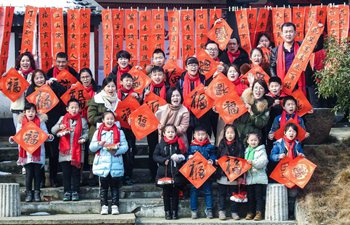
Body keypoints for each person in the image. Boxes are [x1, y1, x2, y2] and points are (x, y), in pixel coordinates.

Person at [25, 69, 66, 187]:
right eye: (36, 78)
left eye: (41, 77)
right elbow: (28, 108)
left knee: (53, 153)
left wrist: (54, 83)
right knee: (41, 153)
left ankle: (53, 178)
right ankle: (41, 179)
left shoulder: (51, 86)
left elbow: (64, 93)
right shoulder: (31, 91)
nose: (39, 80)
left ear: (45, 77)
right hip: (38, 126)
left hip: (53, 124)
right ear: (33, 80)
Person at [9, 103, 53, 202]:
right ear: (25, 112)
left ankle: (37, 192)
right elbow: (18, 135)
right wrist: (13, 139)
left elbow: (44, 133)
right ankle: (28, 193)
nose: (31, 113)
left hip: (38, 153)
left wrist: (48, 136)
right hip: (26, 154)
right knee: (29, 174)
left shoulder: (40, 122)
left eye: (33, 111)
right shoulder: (21, 122)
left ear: (35, 112)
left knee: (37, 174)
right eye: (28, 111)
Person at [89, 110, 128, 215]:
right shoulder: (98, 132)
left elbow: (125, 147)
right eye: (108, 119)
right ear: (103, 120)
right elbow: (91, 148)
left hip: (115, 162)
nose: (110, 121)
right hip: (102, 163)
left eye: (112, 119)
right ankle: (104, 205)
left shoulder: (120, 132)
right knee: (103, 187)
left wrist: (116, 150)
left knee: (115, 186)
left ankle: (115, 205)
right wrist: (99, 144)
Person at [51, 98, 88, 201]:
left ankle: (75, 191)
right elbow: (53, 131)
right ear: (67, 109)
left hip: (78, 150)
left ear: (79, 109)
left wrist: (83, 138)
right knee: (66, 173)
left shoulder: (83, 120)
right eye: (72, 107)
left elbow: (86, 133)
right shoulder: (62, 118)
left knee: (76, 173)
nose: (74, 109)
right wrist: (60, 126)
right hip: (64, 152)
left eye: (76, 107)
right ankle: (67, 191)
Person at [269, 22, 320, 96]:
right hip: (285, 84)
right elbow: (272, 66)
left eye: (291, 31)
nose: (288, 34)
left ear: (295, 33)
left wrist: (318, 29)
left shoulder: (302, 45)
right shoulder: (275, 51)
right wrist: (276, 81)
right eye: (286, 32)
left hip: (303, 82)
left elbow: (318, 46)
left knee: (306, 106)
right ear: (282, 34)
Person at [270, 123, 305, 220]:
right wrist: (278, 156)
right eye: (289, 131)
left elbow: (302, 154)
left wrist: (301, 155)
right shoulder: (278, 143)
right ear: (285, 133)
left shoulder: (297, 144)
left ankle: (290, 213)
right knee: (281, 193)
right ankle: (281, 214)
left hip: (293, 172)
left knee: (292, 193)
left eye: (294, 131)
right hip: (281, 172)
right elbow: (271, 156)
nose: (292, 133)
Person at [88, 77, 119, 185]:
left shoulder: (118, 100)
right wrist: (105, 116)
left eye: (113, 86)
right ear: (104, 87)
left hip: (114, 131)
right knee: (98, 154)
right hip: (99, 131)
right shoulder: (97, 99)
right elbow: (90, 117)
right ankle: (94, 175)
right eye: (108, 86)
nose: (111, 89)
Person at [153, 124, 187, 220]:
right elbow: (155, 156)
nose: (170, 134)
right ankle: (167, 212)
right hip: (164, 172)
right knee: (166, 193)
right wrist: (164, 160)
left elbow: (184, 155)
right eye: (168, 132)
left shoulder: (179, 143)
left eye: (172, 132)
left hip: (176, 172)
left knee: (176, 193)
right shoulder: (160, 144)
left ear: (175, 133)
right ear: (164, 133)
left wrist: (179, 158)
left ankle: (175, 212)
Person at [176, 57, 212, 142]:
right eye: (191, 65)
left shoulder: (204, 79)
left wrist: (208, 90)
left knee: (200, 138)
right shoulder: (181, 81)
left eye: (195, 65)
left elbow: (211, 95)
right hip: (186, 113)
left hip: (201, 114)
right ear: (186, 67)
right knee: (187, 139)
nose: (193, 67)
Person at [143, 66, 169, 180]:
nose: (157, 77)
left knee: (165, 148)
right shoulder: (146, 89)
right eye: (155, 75)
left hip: (165, 123)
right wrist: (142, 97)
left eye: (159, 74)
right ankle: (153, 173)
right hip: (151, 124)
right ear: (151, 76)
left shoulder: (168, 88)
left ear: (163, 76)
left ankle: (166, 173)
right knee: (153, 147)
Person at [186, 126, 216, 219]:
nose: (200, 137)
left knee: (208, 191)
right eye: (198, 134)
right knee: (194, 191)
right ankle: (194, 210)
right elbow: (186, 156)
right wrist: (188, 158)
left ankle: (209, 209)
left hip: (206, 173)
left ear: (206, 135)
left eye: (203, 134)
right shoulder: (191, 147)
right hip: (195, 174)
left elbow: (214, 155)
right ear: (194, 135)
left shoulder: (210, 146)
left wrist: (212, 160)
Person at [216, 125, 244, 220]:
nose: (230, 135)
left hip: (234, 174)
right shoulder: (222, 143)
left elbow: (241, 159)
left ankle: (234, 212)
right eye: (228, 133)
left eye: (232, 133)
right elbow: (218, 155)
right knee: (221, 194)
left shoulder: (239, 144)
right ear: (224, 134)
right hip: (222, 173)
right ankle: (221, 211)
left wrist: (240, 176)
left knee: (234, 194)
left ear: (235, 133)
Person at [117, 73, 139, 185]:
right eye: (126, 80)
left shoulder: (136, 95)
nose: (128, 83)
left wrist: (138, 99)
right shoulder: (116, 94)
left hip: (131, 129)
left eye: (130, 81)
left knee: (130, 151)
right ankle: (120, 175)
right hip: (118, 127)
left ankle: (128, 175)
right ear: (121, 82)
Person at [235, 79, 270, 148]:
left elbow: (261, 124)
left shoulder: (265, 106)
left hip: (252, 138)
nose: (258, 90)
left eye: (261, 88)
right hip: (238, 132)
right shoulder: (243, 98)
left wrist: (252, 113)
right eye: (256, 88)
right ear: (252, 89)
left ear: (264, 91)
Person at [7, 52, 36, 129]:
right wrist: (5, 83)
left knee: (30, 133)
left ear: (31, 62)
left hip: (31, 110)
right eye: (23, 61)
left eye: (27, 60)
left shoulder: (35, 75)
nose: (25, 63)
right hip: (17, 109)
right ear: (19, 63)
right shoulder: (14, 75)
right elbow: (5, 93)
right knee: (19, 134)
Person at [244, 132, 268, 221]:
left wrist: (253, 162)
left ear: (258, 141)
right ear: (247, 141)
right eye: (251, 140)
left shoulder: (261, 150)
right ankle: (250, 212)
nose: (253, 142)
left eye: (255, 140)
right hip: (249, 178)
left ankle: (259, 213)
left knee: (258, 197)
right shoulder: (247, 150)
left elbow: (263, 162)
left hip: (259, 178)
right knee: (250, 197)